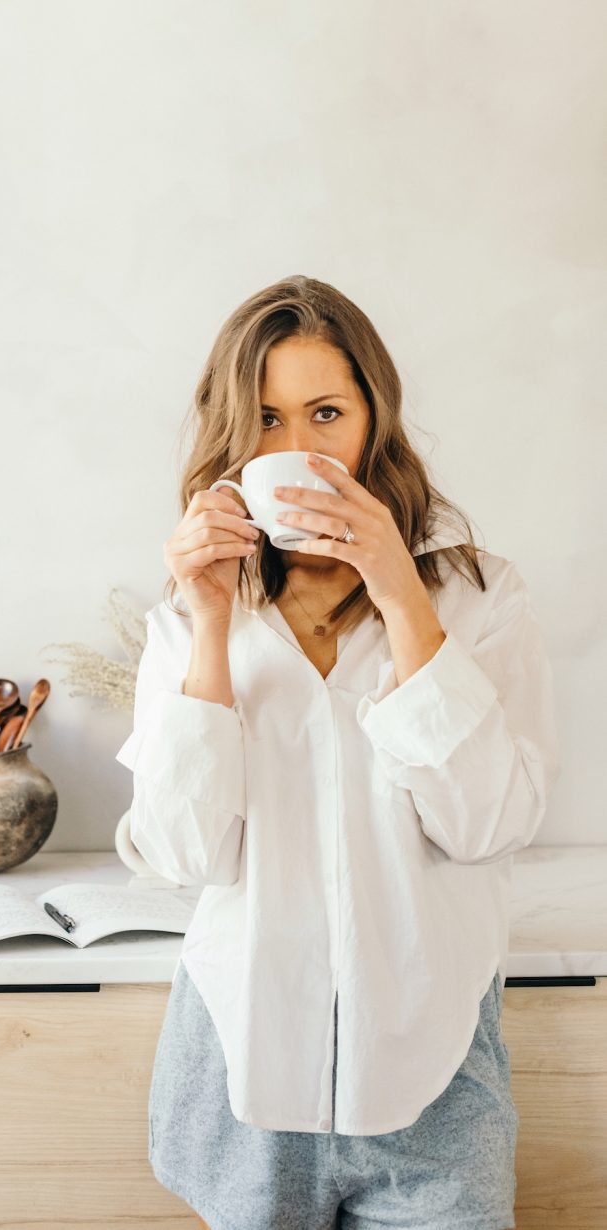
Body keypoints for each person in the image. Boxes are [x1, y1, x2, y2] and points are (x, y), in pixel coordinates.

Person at [115, 275, 560, 1230]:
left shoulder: (479, 599)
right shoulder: (193, 619)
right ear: (233, 436)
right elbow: (185, 857)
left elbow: (488, 824)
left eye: (327, 412)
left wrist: (401, 591)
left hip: (434, 1066)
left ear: (374, 419)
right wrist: (207, 623)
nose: (299, 451)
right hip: (244, 1065)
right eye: (267, 419)